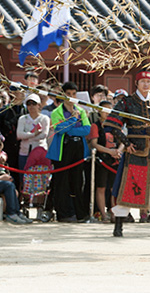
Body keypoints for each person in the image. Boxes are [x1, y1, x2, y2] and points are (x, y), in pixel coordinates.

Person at [104, 70, 150, 237]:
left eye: (149, 82)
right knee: (127, 187)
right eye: (143, 81)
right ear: (137, 83)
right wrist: (126, 143)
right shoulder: (127, 102)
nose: (146, 85)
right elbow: (112, 124)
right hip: (136, 150)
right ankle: (118, 226)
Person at [47, 82, 91, 223]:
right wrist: (72, 119)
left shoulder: (81, 111)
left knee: (77, 181)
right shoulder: (56, 112)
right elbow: (59, 129)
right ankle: (63, 213)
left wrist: (70, 129)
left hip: (78, 148)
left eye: (73, 94)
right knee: (61, 181)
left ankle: (79, 213)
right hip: (63, 149)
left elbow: (87, 129)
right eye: (68, 94)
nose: (71, 97)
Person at [87, 100, 123, 222]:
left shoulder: (115, 125)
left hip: (115, 160)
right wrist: (109, 151)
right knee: (101, 187)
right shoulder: (96, 125)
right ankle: (103, 213)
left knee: (114, 188)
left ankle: (114, 212)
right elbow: (94, 144)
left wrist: (118, 150)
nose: (107, 112)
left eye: (109, 109)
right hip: (102, 160)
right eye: (104, 110)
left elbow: (123, 140)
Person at [16, 94, 50, 179]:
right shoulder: (22, 118)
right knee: (24, 176)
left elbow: (43, 135)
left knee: (40, 177)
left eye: (34, 104)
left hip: (39, 152)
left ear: (39, 105)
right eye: (29, 104)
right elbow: (19, 134)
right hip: (24, 151)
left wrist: (26, 135)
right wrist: (34, 134)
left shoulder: (44, 118)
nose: (31, 106)